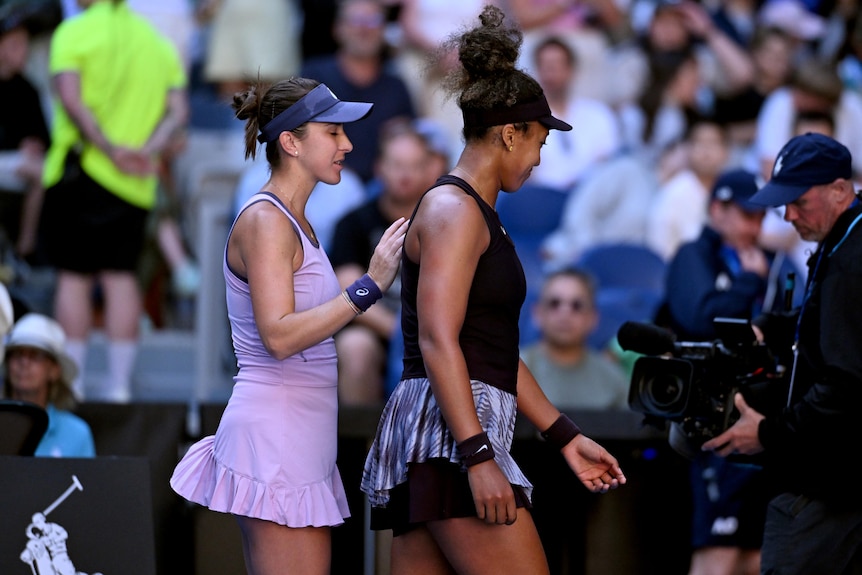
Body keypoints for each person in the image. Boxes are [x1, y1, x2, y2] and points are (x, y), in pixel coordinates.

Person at [360, 7, 626, 573]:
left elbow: (494, 350)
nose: (537, 159)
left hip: (444, 437)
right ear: (510, 133)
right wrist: (477, 455)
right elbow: (438, 338)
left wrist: (562, 435)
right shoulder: (455, 210)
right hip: (453, 440)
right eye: (537, 143)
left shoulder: (471, 212)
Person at [169, 77, 408, 575]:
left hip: (299, 433)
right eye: (333, 132)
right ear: (291, 142)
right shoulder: (268, 221)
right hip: (276, 434)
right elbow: (278, 336)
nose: (347, 144)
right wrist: (369, 287)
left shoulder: (295, 221)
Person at [702, 132, 862, 574]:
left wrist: (770, 433)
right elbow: (830, 323)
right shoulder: (845, 238)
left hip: (831, 484)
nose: (788, 216)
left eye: (799, 202)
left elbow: (845, 385)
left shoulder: (851, 259)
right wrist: (769, 327)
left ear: (840, 190)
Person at [37, 0, 188, 402]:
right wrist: (146, 151)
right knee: (121, 278)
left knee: (74, 278)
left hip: (81, 170)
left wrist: (108, 149)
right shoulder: (155, 42)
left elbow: (70, 98)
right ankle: (119, 386)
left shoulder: (73, 31)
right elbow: (178, 112)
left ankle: (74, 383)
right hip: (136, 182)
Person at [663, 168, 800, 575]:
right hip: (712, 419)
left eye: (760, 217)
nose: (753, 226)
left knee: (760, 555)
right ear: (717, 209)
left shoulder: (779, 263)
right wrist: (747, 282)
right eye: (745, 214)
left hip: (767, 420)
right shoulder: (693, 255)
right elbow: (699, 319)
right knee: (717, 550)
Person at [329, 117, 449, 406]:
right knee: (355, 349)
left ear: (430, 170)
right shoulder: (354, 222)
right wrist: (399, 329)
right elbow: (347, 285)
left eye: (414, 166)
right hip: (376, 329)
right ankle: (366, 446)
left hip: (435, 330)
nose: (405, 175)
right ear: (379, 168)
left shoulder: (446, 222)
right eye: (396, 165)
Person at [300, 0, 417, 184]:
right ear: (337, 28)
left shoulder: (396, 87)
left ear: (384, 29)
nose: (364, 29)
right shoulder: (313, 77)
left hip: (382, 189)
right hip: (322, 183)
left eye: (373, 20)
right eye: (356, 20)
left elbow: (408, 142)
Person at [521, 267, 629, 411]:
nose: (565, 313)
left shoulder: (613, 378)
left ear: (593, 318)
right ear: (537, 313)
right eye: (554, 303)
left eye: (577, 305)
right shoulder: (512, 371)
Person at [2, 313, 96, 458]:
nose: (24, 363)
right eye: (17, 354)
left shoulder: (77, 433)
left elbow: (86, 480)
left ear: (54, 370)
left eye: (35, 356)